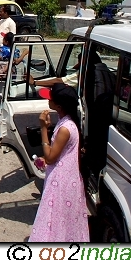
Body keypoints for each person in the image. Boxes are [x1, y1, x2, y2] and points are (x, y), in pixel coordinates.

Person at [29, 83, 89, 242]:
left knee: (52, 220)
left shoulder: (65, 128)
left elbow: (50, 157)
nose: (48, 100)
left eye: (51, 98)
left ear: (59, 106)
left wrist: (43, 128)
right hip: (66, 179)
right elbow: (58, 154)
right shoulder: (68, 122)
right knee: (63, 223)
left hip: (60, 183)